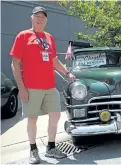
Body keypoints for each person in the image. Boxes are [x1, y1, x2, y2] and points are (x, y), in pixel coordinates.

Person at [10, 6, 75, 164]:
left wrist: (67, 73)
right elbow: (15, 64)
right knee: (32, 118)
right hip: (31, 87)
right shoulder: (23, 36)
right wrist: (21, 88)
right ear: (31, 18)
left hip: (49, 86)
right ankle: (33, 150)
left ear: (46, 20)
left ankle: (51, 148)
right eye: (37, 16)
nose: (40, 19)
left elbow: (53, 60)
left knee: (55, 115)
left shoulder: (49, 37)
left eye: (43, 17)